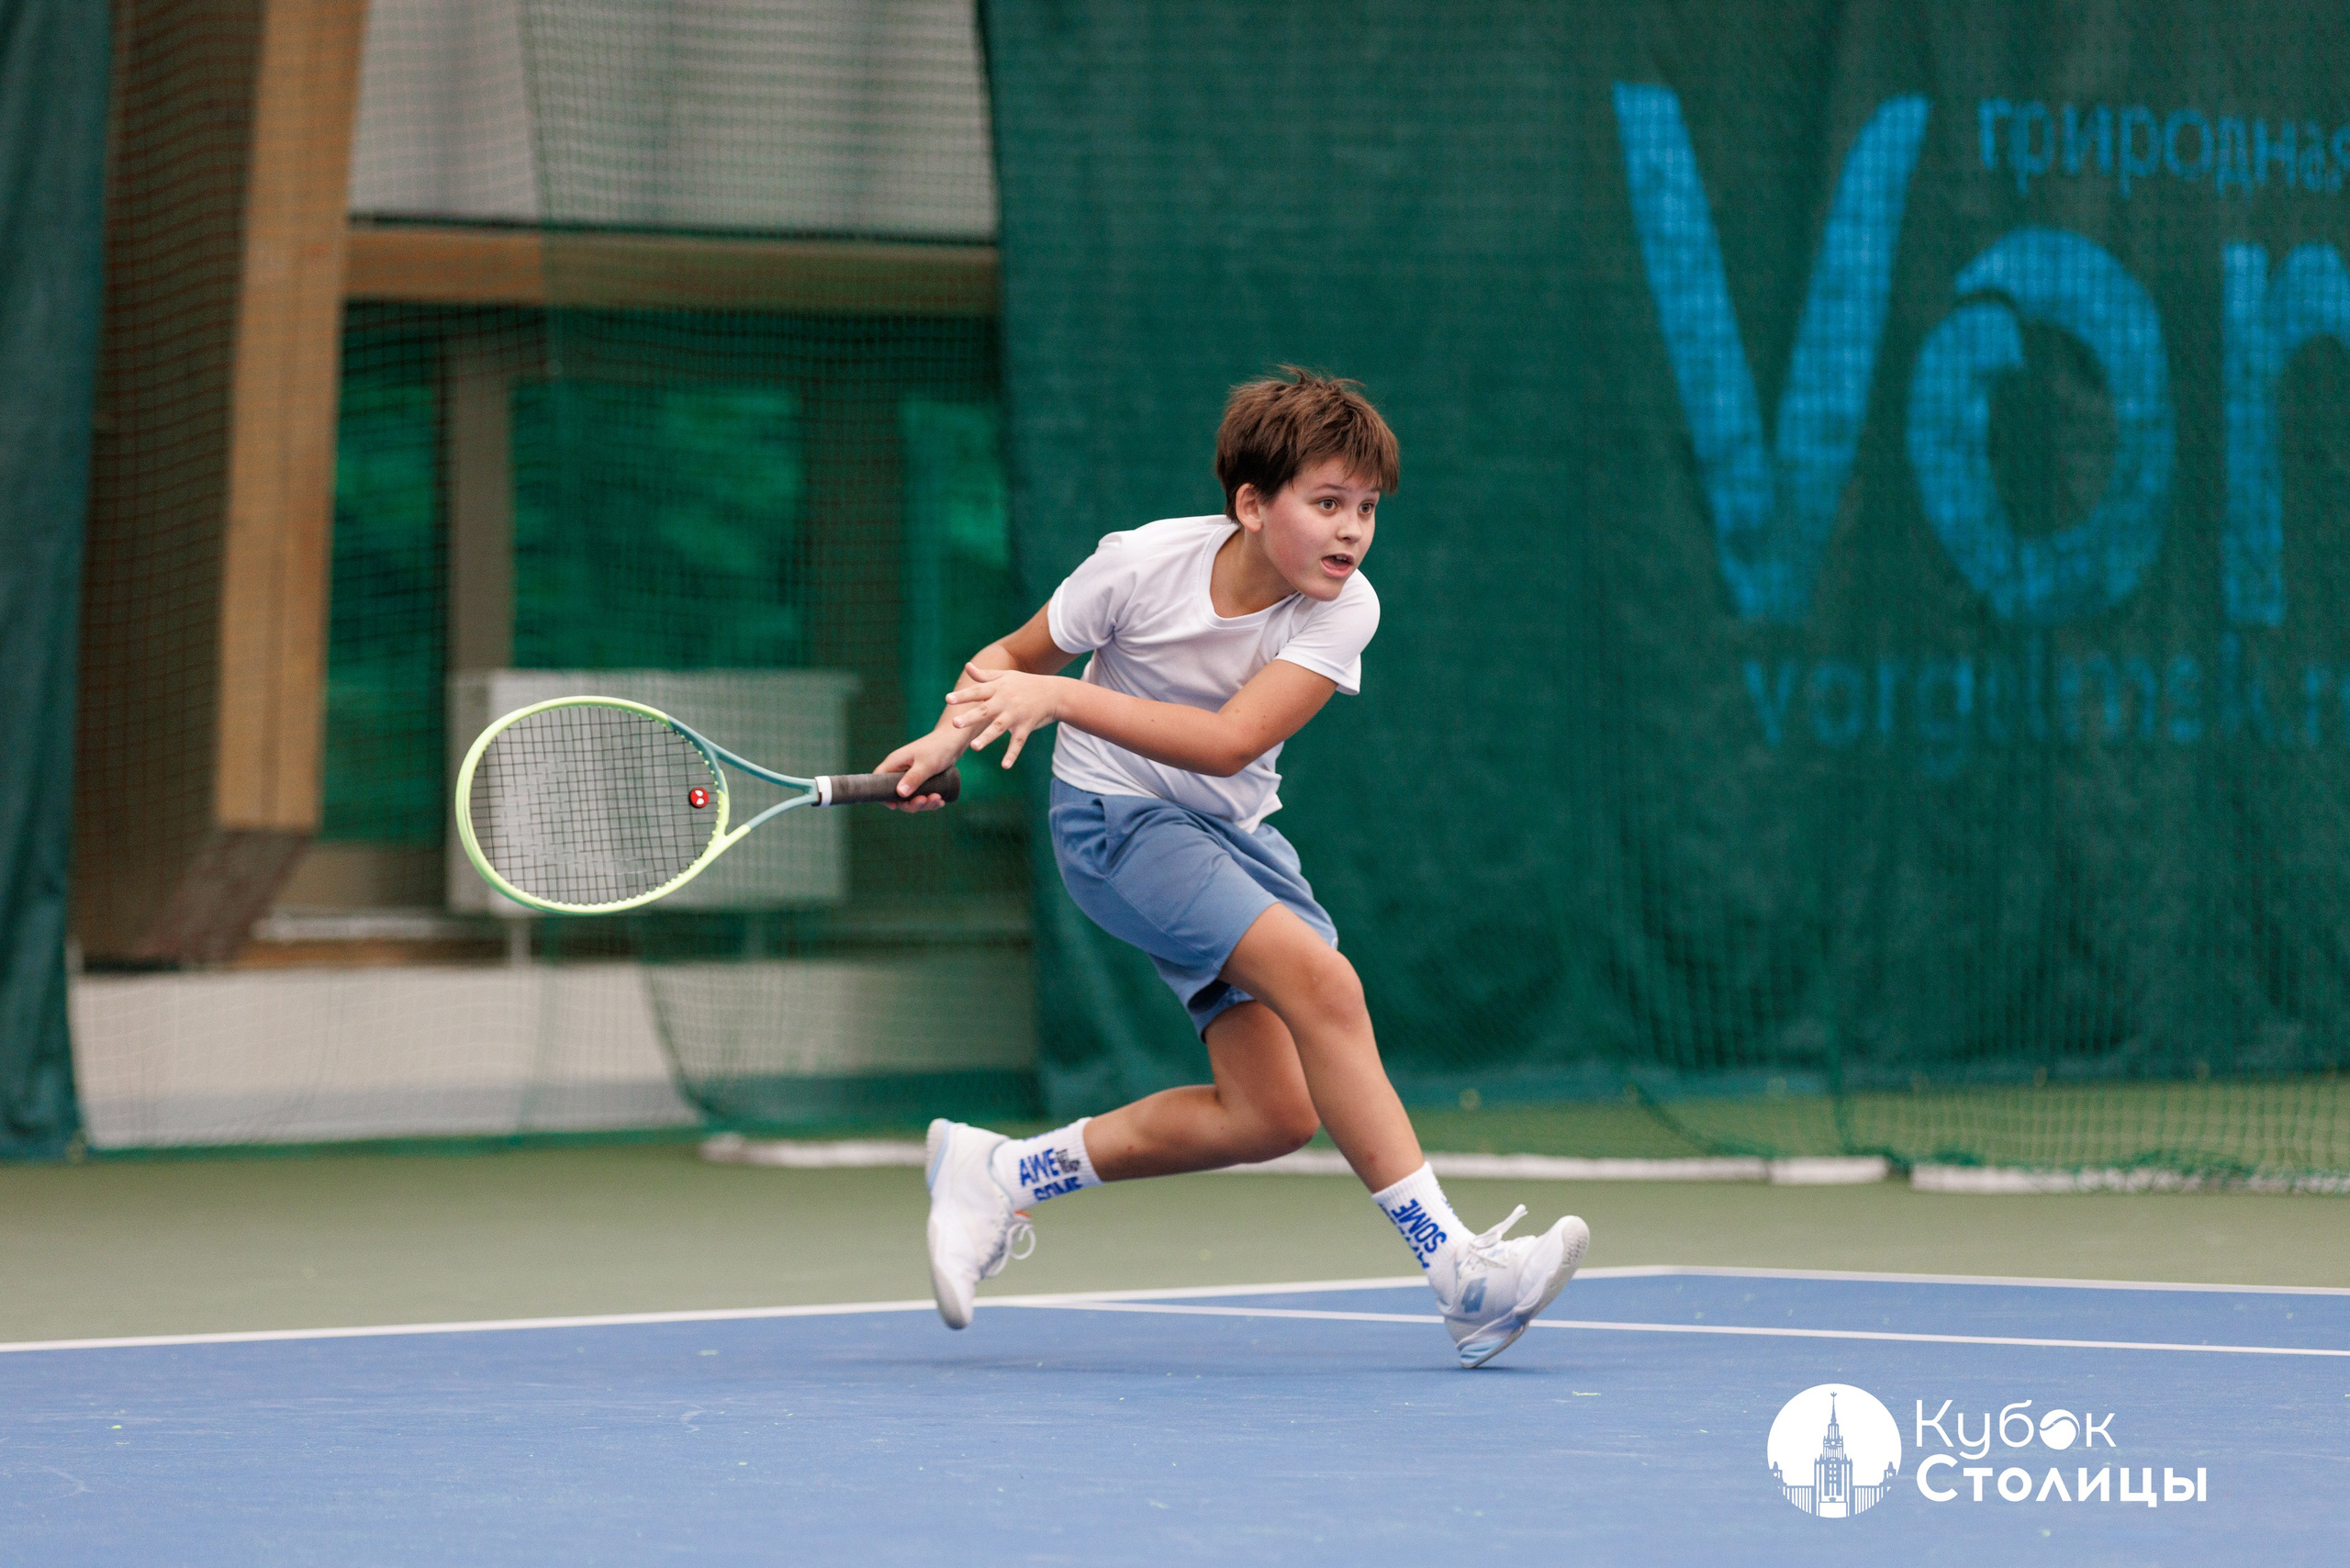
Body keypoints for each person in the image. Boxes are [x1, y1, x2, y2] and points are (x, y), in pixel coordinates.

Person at [878, 367, 1588, 1368]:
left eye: (1367, 509)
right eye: (1327, 503)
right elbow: (1010, 659)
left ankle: (1001, 1174)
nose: (1352, 531)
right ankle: (1461, 1275)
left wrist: (1063, 698)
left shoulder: (1345, 609)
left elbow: (1227, 744)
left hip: (1230, 832)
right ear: (1252, 505)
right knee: (1325, 985)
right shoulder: (1136, 566)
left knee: (1271, 1115)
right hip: (1113, 823)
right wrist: (942, 741)